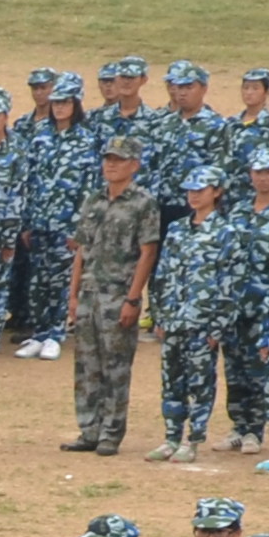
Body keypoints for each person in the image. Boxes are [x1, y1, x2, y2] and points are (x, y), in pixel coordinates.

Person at [63, 140, 165, 458]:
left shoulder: (143, 203)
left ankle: (111, 432)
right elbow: (81, 249)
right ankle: (89, 429)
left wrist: (133, 299)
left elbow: (148, 253)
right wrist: (72, 296)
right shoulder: (93, 200)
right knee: (86, 366)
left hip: (118, 294)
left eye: (118, 160)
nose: (111, 165)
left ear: (134, 165)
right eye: (108, 159)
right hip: (89, 294)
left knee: (116, 367)